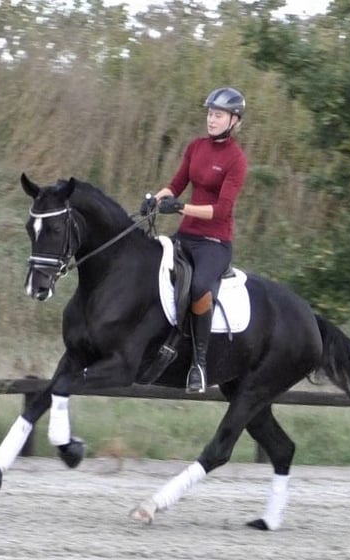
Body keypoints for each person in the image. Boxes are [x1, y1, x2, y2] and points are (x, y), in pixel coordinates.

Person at [141, 86, 248, 393]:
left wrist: (182, 208)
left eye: (218, 115)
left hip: (214, 243)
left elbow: (222, 210)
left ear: (233, 120)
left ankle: (199, 364)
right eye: (210, 114)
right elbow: (176, 184)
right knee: (151, 267)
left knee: (200, 286)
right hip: (185, 235)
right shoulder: (196, 147)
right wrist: (155, 198)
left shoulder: (236, 160)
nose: (211, 120)